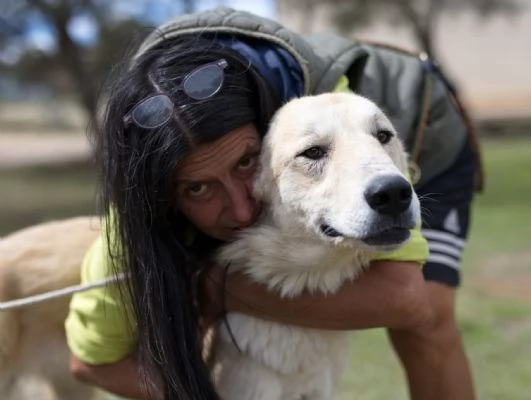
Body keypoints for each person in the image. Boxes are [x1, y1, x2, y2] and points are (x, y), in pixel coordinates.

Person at [65, 7, 481, 400]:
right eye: (198, 188)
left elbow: (405, 300)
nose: (243, 211)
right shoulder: (135, 213)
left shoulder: (316, 105)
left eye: (246, 162)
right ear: (159, 198)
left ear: (261, 134)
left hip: (428, 130)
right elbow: (90, 363)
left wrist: (217, 288)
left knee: (428, 322)